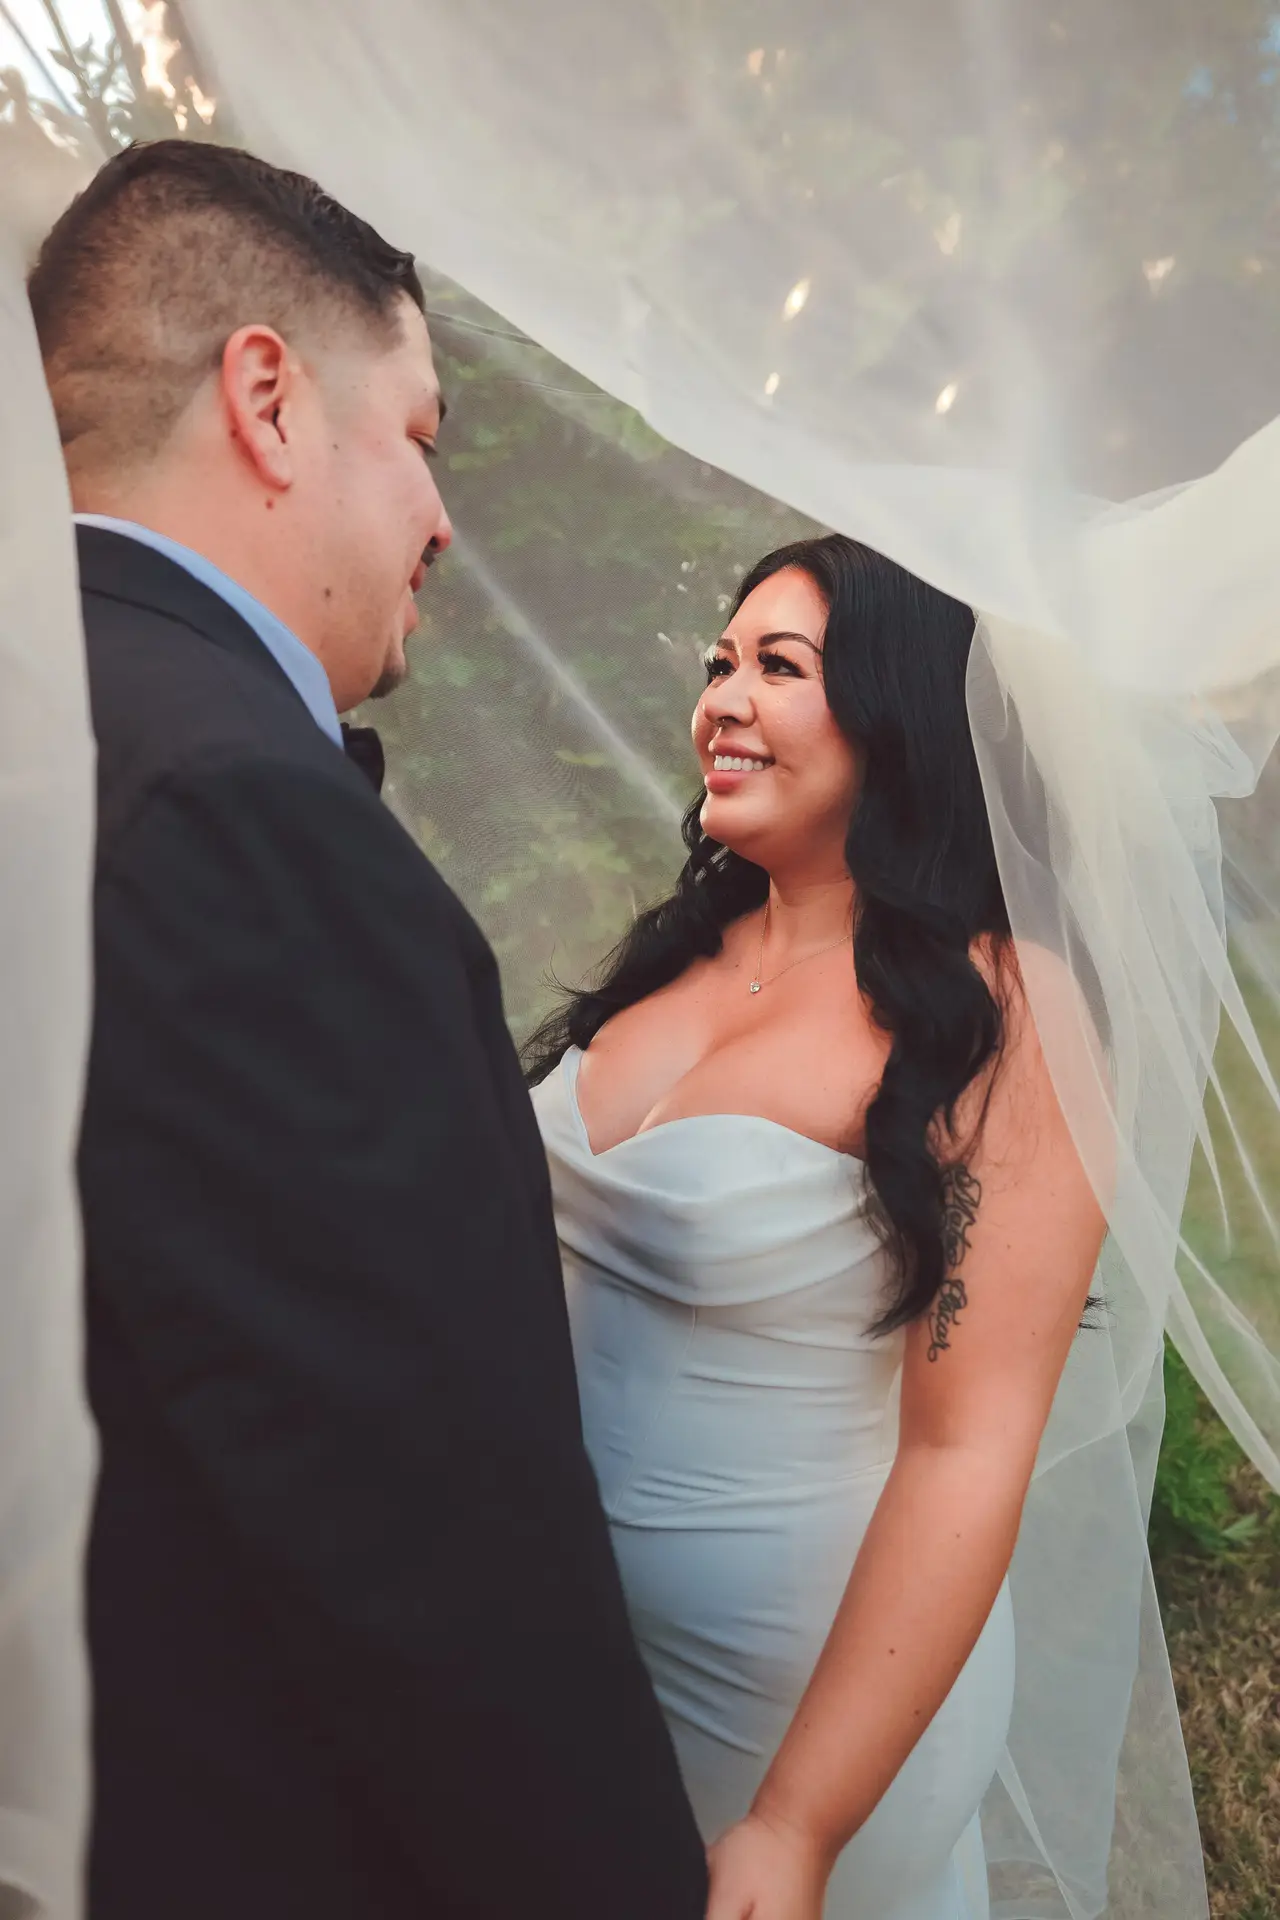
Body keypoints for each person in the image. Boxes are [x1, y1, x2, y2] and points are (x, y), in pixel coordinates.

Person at [30, 139, 706, 1920]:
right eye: (418, 435)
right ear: (267, 400)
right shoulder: (234, 813)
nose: (442, 518)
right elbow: (431, 1535)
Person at [527, 534, 1109, 1920]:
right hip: (550, 1651)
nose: (721, 700)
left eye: (779, 667)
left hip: (791, 1705)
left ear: (897, 713)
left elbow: (969, 1449)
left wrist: (797, 1825)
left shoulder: (1004, 1014)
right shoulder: (680, 954)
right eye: (719, 661)